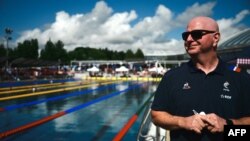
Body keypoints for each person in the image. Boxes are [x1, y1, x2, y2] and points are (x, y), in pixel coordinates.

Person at [151, 16, 250, 141]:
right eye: (185, 35)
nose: (189, 39)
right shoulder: (172, 77)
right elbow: (156, 116)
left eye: (196, 34)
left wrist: (228, 126)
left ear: (216, 38)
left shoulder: (240, 77)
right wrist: (183, 122)